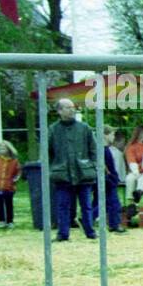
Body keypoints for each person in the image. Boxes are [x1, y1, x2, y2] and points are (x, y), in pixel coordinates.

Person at [48, 98, 99, 241]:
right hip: (62, 175)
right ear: (59, 111)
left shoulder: (84, 128)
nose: (72, 110)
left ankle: (90, 232)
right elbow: (47, 152)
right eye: (67, 107)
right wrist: (53, 169)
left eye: (72, 107)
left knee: (86, 205)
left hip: (83, 174)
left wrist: (93, 166)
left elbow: (94, 149)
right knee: (63, 205)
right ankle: (63, 234)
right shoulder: (53, 130)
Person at [98, 127, 127, 234]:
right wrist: (109, 174)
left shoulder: (105, 148)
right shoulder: (103, 149)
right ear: (105, 135)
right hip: (108, 179)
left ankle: (113, 224)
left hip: (109, 179)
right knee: (114, 203)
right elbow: (103, 164)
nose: (113, 137)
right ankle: (115, 224)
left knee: (105, 203)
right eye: (112, 134)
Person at [0, 140, 21, 229]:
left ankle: (10, 221)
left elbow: (18, 172)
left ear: (8, 149)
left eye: (3, 148)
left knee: (9, 204)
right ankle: (1, 220)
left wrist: (14, 180)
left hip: (9, 187)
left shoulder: (14, 161)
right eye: (0, 148)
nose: (1, 149)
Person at [125, 126, 143, 203]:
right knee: (130, 179)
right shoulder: (131, 147)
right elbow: (132, 161)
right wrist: (136, 172)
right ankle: (131, 202)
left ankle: (140, 191)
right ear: (139, 134)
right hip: (136, 170)